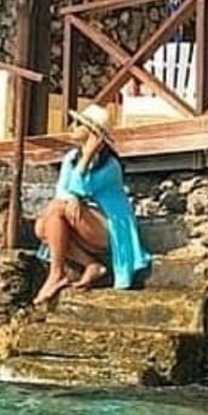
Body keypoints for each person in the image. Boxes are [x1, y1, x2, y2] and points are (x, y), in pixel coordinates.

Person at [32, 104, 149, 305]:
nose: (73, 126)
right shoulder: (71, 158)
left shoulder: (110, 166)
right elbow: (62, 190)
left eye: (80, 124)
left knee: (57, 208)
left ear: (93, 133)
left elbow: (80, 188)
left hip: (110, 228)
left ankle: (56, 274)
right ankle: (91, 265)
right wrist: (72, 196)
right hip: (81, 222)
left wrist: (86, 159)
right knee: (42, 226)